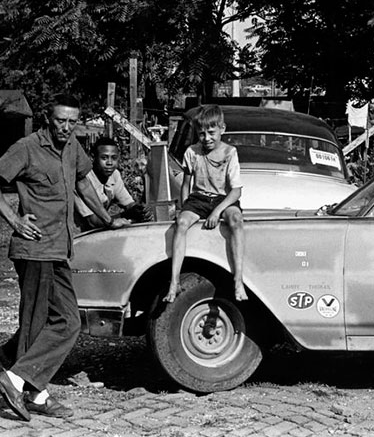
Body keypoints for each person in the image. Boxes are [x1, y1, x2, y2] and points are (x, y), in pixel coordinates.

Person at [0, 94, 129, 422]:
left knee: (67, 320)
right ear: (49, 117)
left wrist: (106, 219)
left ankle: (17, 375)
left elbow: (85, 186)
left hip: (59, 249)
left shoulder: (72, 146)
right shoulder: (27, 147)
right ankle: (31, 390)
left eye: (71, 121)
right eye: (60, 120)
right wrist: (15, 221)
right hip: (33, 250)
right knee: (38, 323)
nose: (65, 127)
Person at [164, 104, 247, 303]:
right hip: (199, 199)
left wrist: (217, 212)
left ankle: (238, 280)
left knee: (236, 220)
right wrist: (183, 209)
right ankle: (174, 282)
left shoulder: (230, 153)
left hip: (222, 199)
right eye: (202, 134)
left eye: (211, 133)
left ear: (222, 130)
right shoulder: (192, 152)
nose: (207, 138)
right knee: (181, 225)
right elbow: (186, 184)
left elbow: (236, 191)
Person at [74, 136, 153, 231]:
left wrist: (140, 210)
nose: (110, 163)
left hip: (97, 231)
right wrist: (125, 215)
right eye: (104, 158)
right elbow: (92, 221)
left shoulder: (114, 175)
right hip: (77, 234)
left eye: (114, 158)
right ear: (92, 157)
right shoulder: (83, 179)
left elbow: (129, 203)